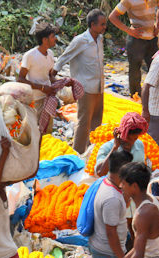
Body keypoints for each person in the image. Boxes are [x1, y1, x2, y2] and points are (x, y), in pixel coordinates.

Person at [53, 9, 107, 153]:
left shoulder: (100, 40)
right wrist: (53, 74)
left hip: (98, 86)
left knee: (97, 121)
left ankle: (91, 150)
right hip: (85, 86)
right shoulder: (81, 41)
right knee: (84, 121)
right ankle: (77, 153)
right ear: (92, 24)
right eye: (101, 24)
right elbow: (65, 56)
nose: (104, 27)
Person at [89, 150, 133, 258]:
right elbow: (111, 233)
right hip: (108, 252)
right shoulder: (112, 198)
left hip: (98, 246)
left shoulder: (106, 183)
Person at [109, 0, 159, 98]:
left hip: (152, 39)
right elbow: (112, 17)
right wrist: (129, 31)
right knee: (134, 72)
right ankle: (136, 97)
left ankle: (156, 97)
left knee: (156, 68)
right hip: (136, 41)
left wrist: (157, 25)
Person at [18, 23, 59, 134]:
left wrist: (57, 83)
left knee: (47, 131)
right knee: (35, 132)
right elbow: (20, 79)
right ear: (45, 40)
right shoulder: (30, 55)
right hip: (35, 99)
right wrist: (41, 88)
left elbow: (49, 74)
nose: (55, 39)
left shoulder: (50, 53)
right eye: (52, 37)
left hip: (48, 97)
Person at [95, 112, 147, 177]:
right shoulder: (107, 147)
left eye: (133, 139)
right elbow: (100, 173)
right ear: (120, 133)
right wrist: (115, 148)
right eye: (127, 138)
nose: (129, 142)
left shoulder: (139, 145)